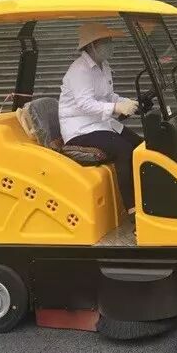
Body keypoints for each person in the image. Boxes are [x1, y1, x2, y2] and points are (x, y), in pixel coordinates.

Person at [59, 23, 142, 214]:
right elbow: (85, 104)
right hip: (80, 129)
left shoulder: (103, 66)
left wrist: (127, 102)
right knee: (124, 150)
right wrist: (116, 107)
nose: (110, 45)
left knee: (140, 145)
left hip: (100, 124)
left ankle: (145, 197)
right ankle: (133, 210)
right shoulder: (79, 70)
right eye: (106, 41)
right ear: (92, 45)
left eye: (110, 40)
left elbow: (108, 96)